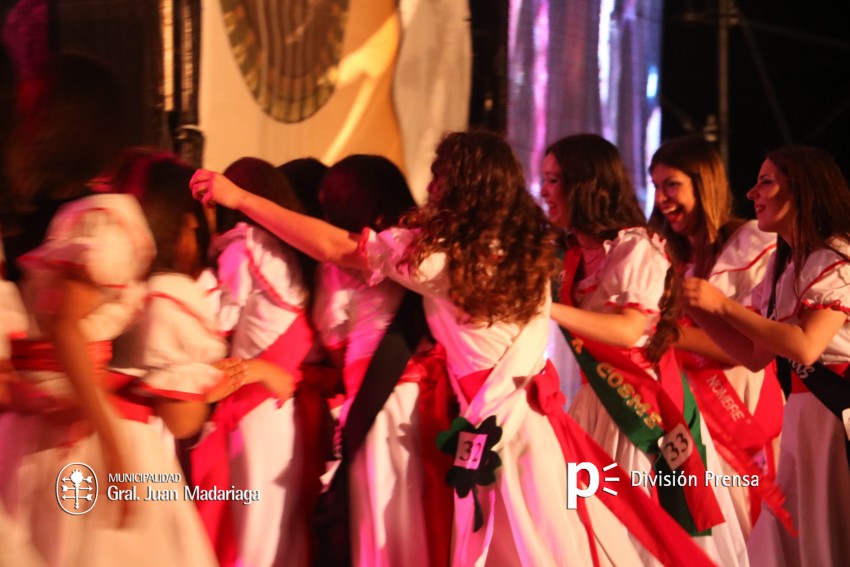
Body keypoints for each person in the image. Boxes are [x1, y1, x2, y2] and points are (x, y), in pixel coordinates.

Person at [192, 130, 718, 567]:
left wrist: (240, 199)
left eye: (438, 175)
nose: (429, 187)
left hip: (499, 431)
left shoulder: (443, 261)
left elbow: (334, 246)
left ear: (460, 185)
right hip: (531, 427)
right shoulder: (524, 248)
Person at [0, 54, 210, 566]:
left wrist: (27, 396)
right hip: (81, 425)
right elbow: (64, 325)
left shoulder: (21, 224)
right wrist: (113, 442)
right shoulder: (102, 216)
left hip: (24, 426)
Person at [541, 133, 747, 566]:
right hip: (594, 404)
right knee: (590, 535)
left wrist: (547, 308)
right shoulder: (568, 253)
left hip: (641, 409)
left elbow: (629, 328)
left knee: (644, 534)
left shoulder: (635, 247)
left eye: (554, 180)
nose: (544, 190)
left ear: (583, 183)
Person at [682, 146, 850, 567]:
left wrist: (722, 305)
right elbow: (755, 355)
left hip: (836, 416)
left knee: (827, 535)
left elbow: (805, 346)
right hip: (803, 418)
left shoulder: (836, 258)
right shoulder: (784, 266)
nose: (752, 192)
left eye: (766, 182)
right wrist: (696, 310)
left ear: (802, 190)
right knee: (783, 541)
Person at [311, 154, 452, 567]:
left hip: (377, 403)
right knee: (427, 520)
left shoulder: (345, 261)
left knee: (383, 526)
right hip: (432, 399)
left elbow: (331, 331)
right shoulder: (425, 245)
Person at [649, 135, 783, 538]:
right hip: (685, 415)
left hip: (738, 406)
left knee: (744, 532)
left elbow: (748, 349)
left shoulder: (749, 244)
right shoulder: (667, 255)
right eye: (655, 186)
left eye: (672, 185)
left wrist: (660, 335)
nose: (661, 199)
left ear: (702, 183)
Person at [200, 156, 321, 567]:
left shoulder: (243, 246)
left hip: (250, 401)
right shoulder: (295, 250)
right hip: (286, 407)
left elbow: (218, 320)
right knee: (282, 526)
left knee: (252, 529)